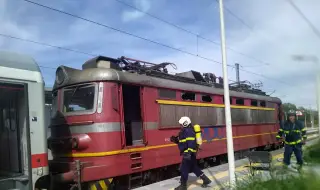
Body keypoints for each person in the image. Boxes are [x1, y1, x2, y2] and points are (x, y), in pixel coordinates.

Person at [170, 116, 211, 190]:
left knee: (183, 169)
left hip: (188, 153)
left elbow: (191, 143)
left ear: (185, 123)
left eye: (181, 124)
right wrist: (175, 140)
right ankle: (206, 180)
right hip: (189, 153)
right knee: (194, 168)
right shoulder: (185, 131)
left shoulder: (188, 131)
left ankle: (183, 186)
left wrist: (188, 153)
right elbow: (183, 142)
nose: (180, 125)